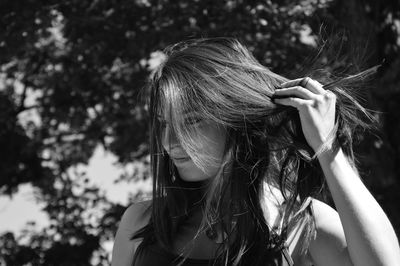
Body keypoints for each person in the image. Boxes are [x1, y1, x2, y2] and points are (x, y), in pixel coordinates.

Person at [111, 37, 400, 266]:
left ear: (235, 119)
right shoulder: (142, 223)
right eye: (163, 124)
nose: (169, 142)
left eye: (191, 121)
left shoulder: (302, 223)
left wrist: (327, 146)